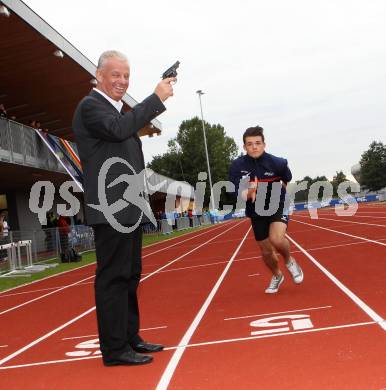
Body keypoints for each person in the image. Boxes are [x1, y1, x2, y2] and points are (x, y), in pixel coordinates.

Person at [72, 50, 175, 366]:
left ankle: (129, 337)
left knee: (130, 275)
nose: (122, 81)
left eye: (126, 76)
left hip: (128, 206)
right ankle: (115, 349)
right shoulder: (91, 107)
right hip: (110, 207)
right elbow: (118, 130)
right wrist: (156, 98)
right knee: (114, 277)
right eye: (115, 74)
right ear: (99, 75)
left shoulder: (115, 113)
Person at [229, 126, 304, 294]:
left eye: (257, 143)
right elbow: (239, 195)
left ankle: (289, 260)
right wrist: (251, 191)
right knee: (266, 250)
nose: (254, 147)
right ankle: (277, 275)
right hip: (255, 208)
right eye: (250, 144)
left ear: (264, 144)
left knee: (277, 239)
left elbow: (286, 178)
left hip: (277, 202)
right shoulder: (236, 166)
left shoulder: (278, 163)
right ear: (244, 147)